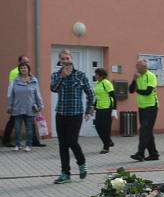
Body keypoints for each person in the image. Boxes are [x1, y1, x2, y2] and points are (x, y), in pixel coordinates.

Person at [50, 50, 94, 184]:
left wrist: (88, 110)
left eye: (67, 58)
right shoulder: (56, 75)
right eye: (62, 59)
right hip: (61, 113)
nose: (65, 60)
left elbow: (90, 94)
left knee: (72, 141)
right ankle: (65, 174)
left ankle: (82, 163)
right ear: (60, 61)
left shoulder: (80, 75)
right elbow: (53, 89)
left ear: (71, 59)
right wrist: (62, 76)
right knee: (62, 144)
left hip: (75, 114)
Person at [5, 55, 45, 147]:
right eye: (25, 62)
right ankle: (7, 140)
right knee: (14, 123)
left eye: (27, 62)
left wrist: (39, 104)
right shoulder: (15, 72)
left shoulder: (30, 74)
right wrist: (11, 102)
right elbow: (12, 87)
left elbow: (35, 90)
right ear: (20, 62)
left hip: (27, 103)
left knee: (29, 124)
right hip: (17, 102)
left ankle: (33, 142)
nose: (27, 64)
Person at [128, 59, 159, 162]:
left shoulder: (151, 76)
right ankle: (154, 154)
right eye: (136, 66)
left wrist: (137, 90)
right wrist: (134, 79)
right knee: (147, 132)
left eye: (138, 66)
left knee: (144, 131)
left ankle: (140, 154)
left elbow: (147, 92)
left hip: (151, 107)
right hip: (142, 107)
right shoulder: (138, 76)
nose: (136, 68)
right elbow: (131, 90)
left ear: (144, 67)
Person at [93, 68, 116, 153]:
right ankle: (108, 141)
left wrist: (114, 110)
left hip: (107, 108)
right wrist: (93, 106)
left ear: (101, 75)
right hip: (99, 107)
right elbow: (98, 97)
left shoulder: (106, 83)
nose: (95, 75)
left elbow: (113, 96)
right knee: (97, 126)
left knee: (106, 128)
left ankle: (106, 147)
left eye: (96, 74)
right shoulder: (98, 83)